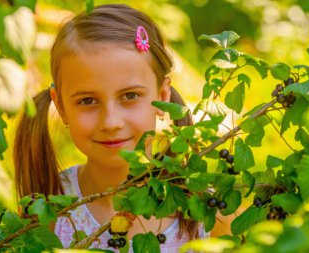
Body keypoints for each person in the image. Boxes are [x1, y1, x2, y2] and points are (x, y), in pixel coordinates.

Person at [13, 4, 210, 251]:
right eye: (88, 101)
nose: (110, 122)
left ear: (162, 95)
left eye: (129, 96)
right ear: (60, 106)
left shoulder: (207, 211)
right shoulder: (48, 213)